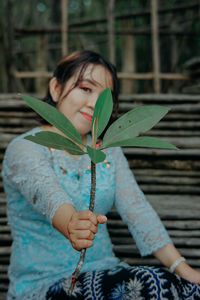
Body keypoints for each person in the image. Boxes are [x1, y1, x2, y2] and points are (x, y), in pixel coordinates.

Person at [2, 50, 200, 300]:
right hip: (45, 285)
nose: (95, 104)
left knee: (179, 289)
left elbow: (138, 212)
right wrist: (71, 223)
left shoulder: (109, 151)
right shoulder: (26, 147)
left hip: (109, 276)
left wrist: (184, 271)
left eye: (105, 97)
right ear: (55, 88)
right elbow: (46, 192)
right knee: (148, 284)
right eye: (86, 88)